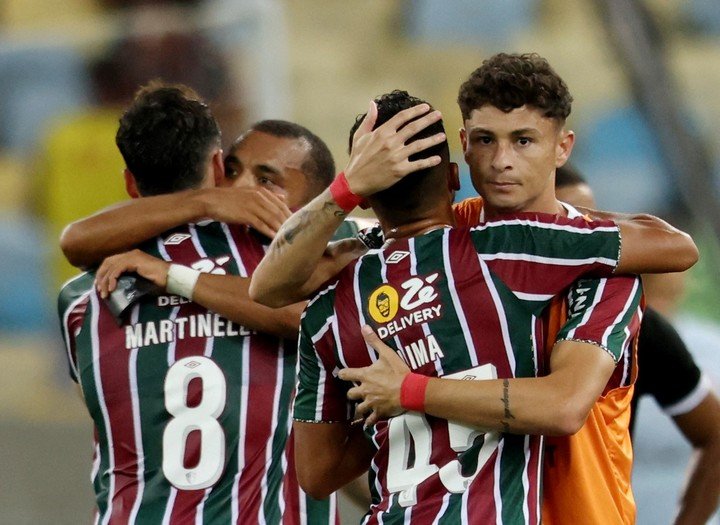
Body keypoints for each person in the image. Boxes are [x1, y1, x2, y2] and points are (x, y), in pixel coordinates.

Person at [248, 54, 699, 525]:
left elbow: (564, 405)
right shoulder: (437, 239)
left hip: (580, 512)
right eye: (486, 140)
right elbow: (271, 284)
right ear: (462, 151)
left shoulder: (604, 268)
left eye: (523, 141)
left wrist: (408, 390)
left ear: (562, 147)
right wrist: (349, 186)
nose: (502, 161)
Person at [57, 82, 340, 523]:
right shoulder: (284, 264)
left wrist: (175, 276)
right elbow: (308, 318)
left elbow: (74, 240)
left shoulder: (80, 299)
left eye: (266, 181)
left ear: (130, 183)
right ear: (215, 167)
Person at [555, 164, 720, 524]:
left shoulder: (642, 330)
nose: (583, 241)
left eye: (589, 225)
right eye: (562, 225)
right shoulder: (469, 320)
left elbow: (715, 434)